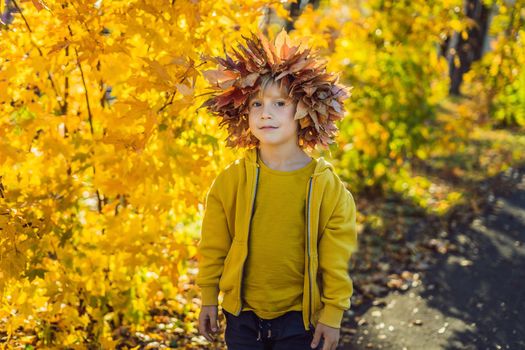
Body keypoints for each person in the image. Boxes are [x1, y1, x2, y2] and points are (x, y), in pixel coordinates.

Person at [196, 28, 358, 350]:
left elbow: (335, 259)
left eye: (280, 103)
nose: (265, 113)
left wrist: (332, 314)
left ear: (306, 112)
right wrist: (207, 297)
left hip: (299, 318)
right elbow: (213, 245)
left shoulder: (326, 187)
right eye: (256, 103)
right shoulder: (231, 181)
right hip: (241, 315)